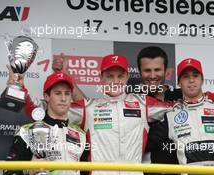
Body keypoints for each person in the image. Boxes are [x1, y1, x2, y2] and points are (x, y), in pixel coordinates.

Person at [21, 54, 177, 175]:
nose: (115, 81)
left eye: (120, 76)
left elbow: (180, 108)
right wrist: (19, 87)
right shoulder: (89, 107)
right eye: (109, 76)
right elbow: (42, 110)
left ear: (127, 77)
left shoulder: (143, 103)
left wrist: (202, 97)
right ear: (101, 78)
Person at [147, 58, 214, 172]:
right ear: (179, 83)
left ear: (202, 80)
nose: (191, 80)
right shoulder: (170, 116)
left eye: (195, 75)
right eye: (185, 77)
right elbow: (143, 144)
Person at [4, 71, 88, 175]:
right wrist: (29, 171)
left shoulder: (81, 135)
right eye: (57, 93)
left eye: (67, 93)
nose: (63, 98)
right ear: (47, 97)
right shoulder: (27, 132)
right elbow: (9, 172)